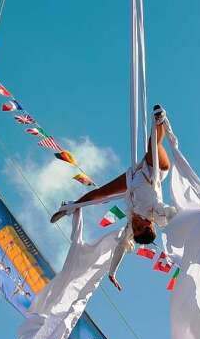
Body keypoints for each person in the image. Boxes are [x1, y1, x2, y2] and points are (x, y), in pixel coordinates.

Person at [50, 104, 173, 246]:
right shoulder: (156, 215)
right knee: (153, 146)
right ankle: (159, 120)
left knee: (101, 193)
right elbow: (170, 214)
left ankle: (72, 207)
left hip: (133, 181)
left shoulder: (130, 219)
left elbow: (120, 248)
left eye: (135, 229)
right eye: (139, 227)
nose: (135, 225)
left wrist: (113, 269)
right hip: (154, 173)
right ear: (150, 225)